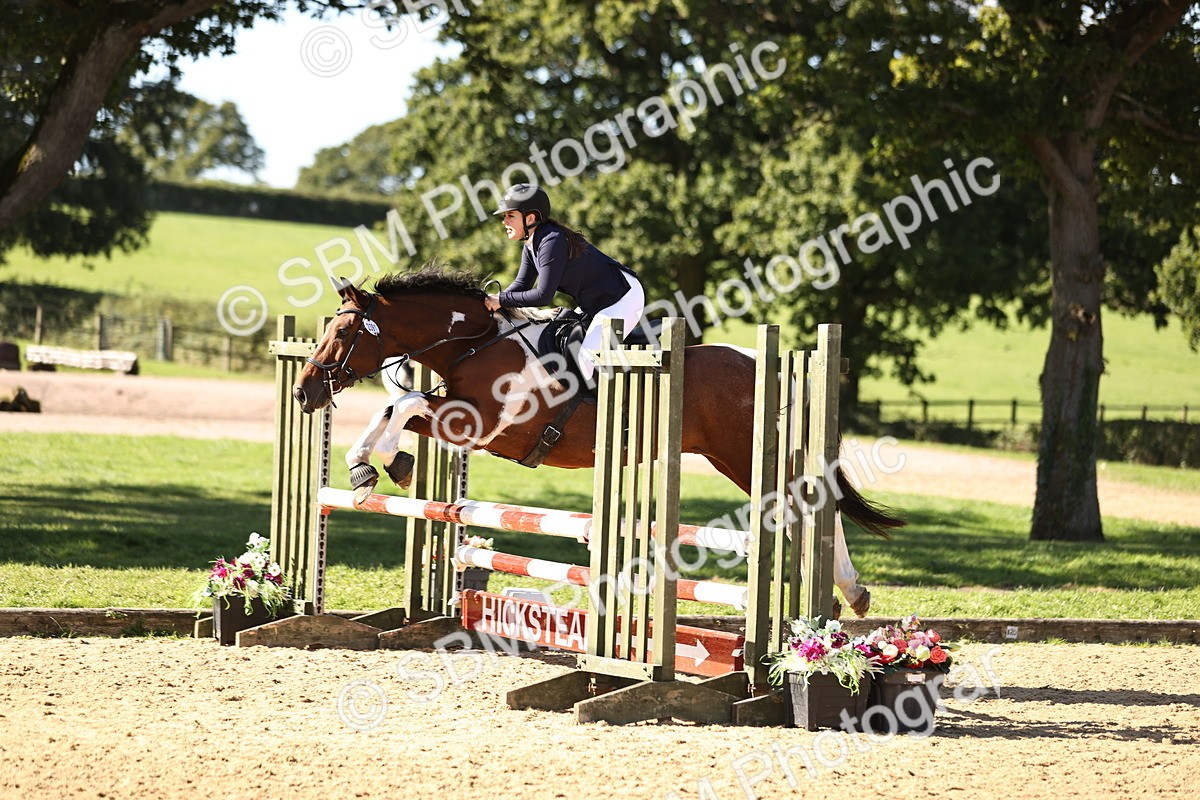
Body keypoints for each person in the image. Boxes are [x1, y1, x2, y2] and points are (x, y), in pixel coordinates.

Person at [484, 184, 645, 382]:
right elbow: (521, 285)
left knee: (586, 359)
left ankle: (602, 411)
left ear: (530, 218)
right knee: (563, 343)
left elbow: (543, 296)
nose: (504, 221)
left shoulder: (552, 241)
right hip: (597, 303)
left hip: (623, 298)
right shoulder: (532, 244)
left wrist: (501, 299)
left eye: (510, 216)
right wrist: (491, 304)